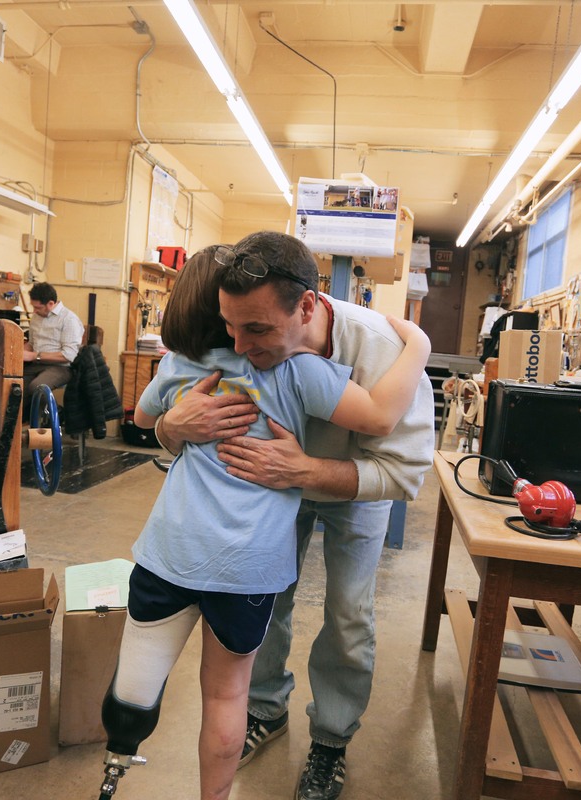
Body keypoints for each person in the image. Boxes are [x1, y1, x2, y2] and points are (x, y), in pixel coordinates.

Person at [100, 246, 430, 800]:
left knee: (349, 614)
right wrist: (175, 426)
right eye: (229, 328)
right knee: (265, 615)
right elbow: (153, 423)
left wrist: (417, 344)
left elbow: (401, 470)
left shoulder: (376, 348)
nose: (240, 348)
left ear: (307, 308)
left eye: (254, 330)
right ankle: (266, 709)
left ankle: (330, 739)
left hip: (355, 480)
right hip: (266, 504)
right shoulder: (235, 355)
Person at [22, 281, 85, 398]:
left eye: (37, 307)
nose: (34, 311)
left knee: (37, 388)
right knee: (13, 385)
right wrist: (19, 352)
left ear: (51, 304)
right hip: (37, 364)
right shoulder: (36, 317)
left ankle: (52, 415)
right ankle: (23, 416)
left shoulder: (69, 319)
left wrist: (34, 356)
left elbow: (68, 355)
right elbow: (31, 343)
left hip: (61, 367)